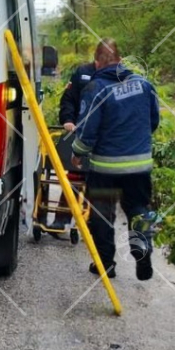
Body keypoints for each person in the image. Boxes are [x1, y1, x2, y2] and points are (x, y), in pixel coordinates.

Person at [70, 39, 159, 281]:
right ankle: (142, 251)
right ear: (121, 61)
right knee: (139, 210)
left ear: (97, 63)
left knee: (101, 214)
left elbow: (88, 131)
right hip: (139, 166)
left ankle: (106, 265)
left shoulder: (96, 89)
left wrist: (77, 152)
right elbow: (153, 121)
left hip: (105, 168)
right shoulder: (144, 85)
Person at [47, 41, 110, 230]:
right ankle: (62, 217)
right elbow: (68, 100)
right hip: (79, 131)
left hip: (104, 136)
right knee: (74, 175)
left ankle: (94, 222)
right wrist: (67, 120)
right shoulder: (82, 73)